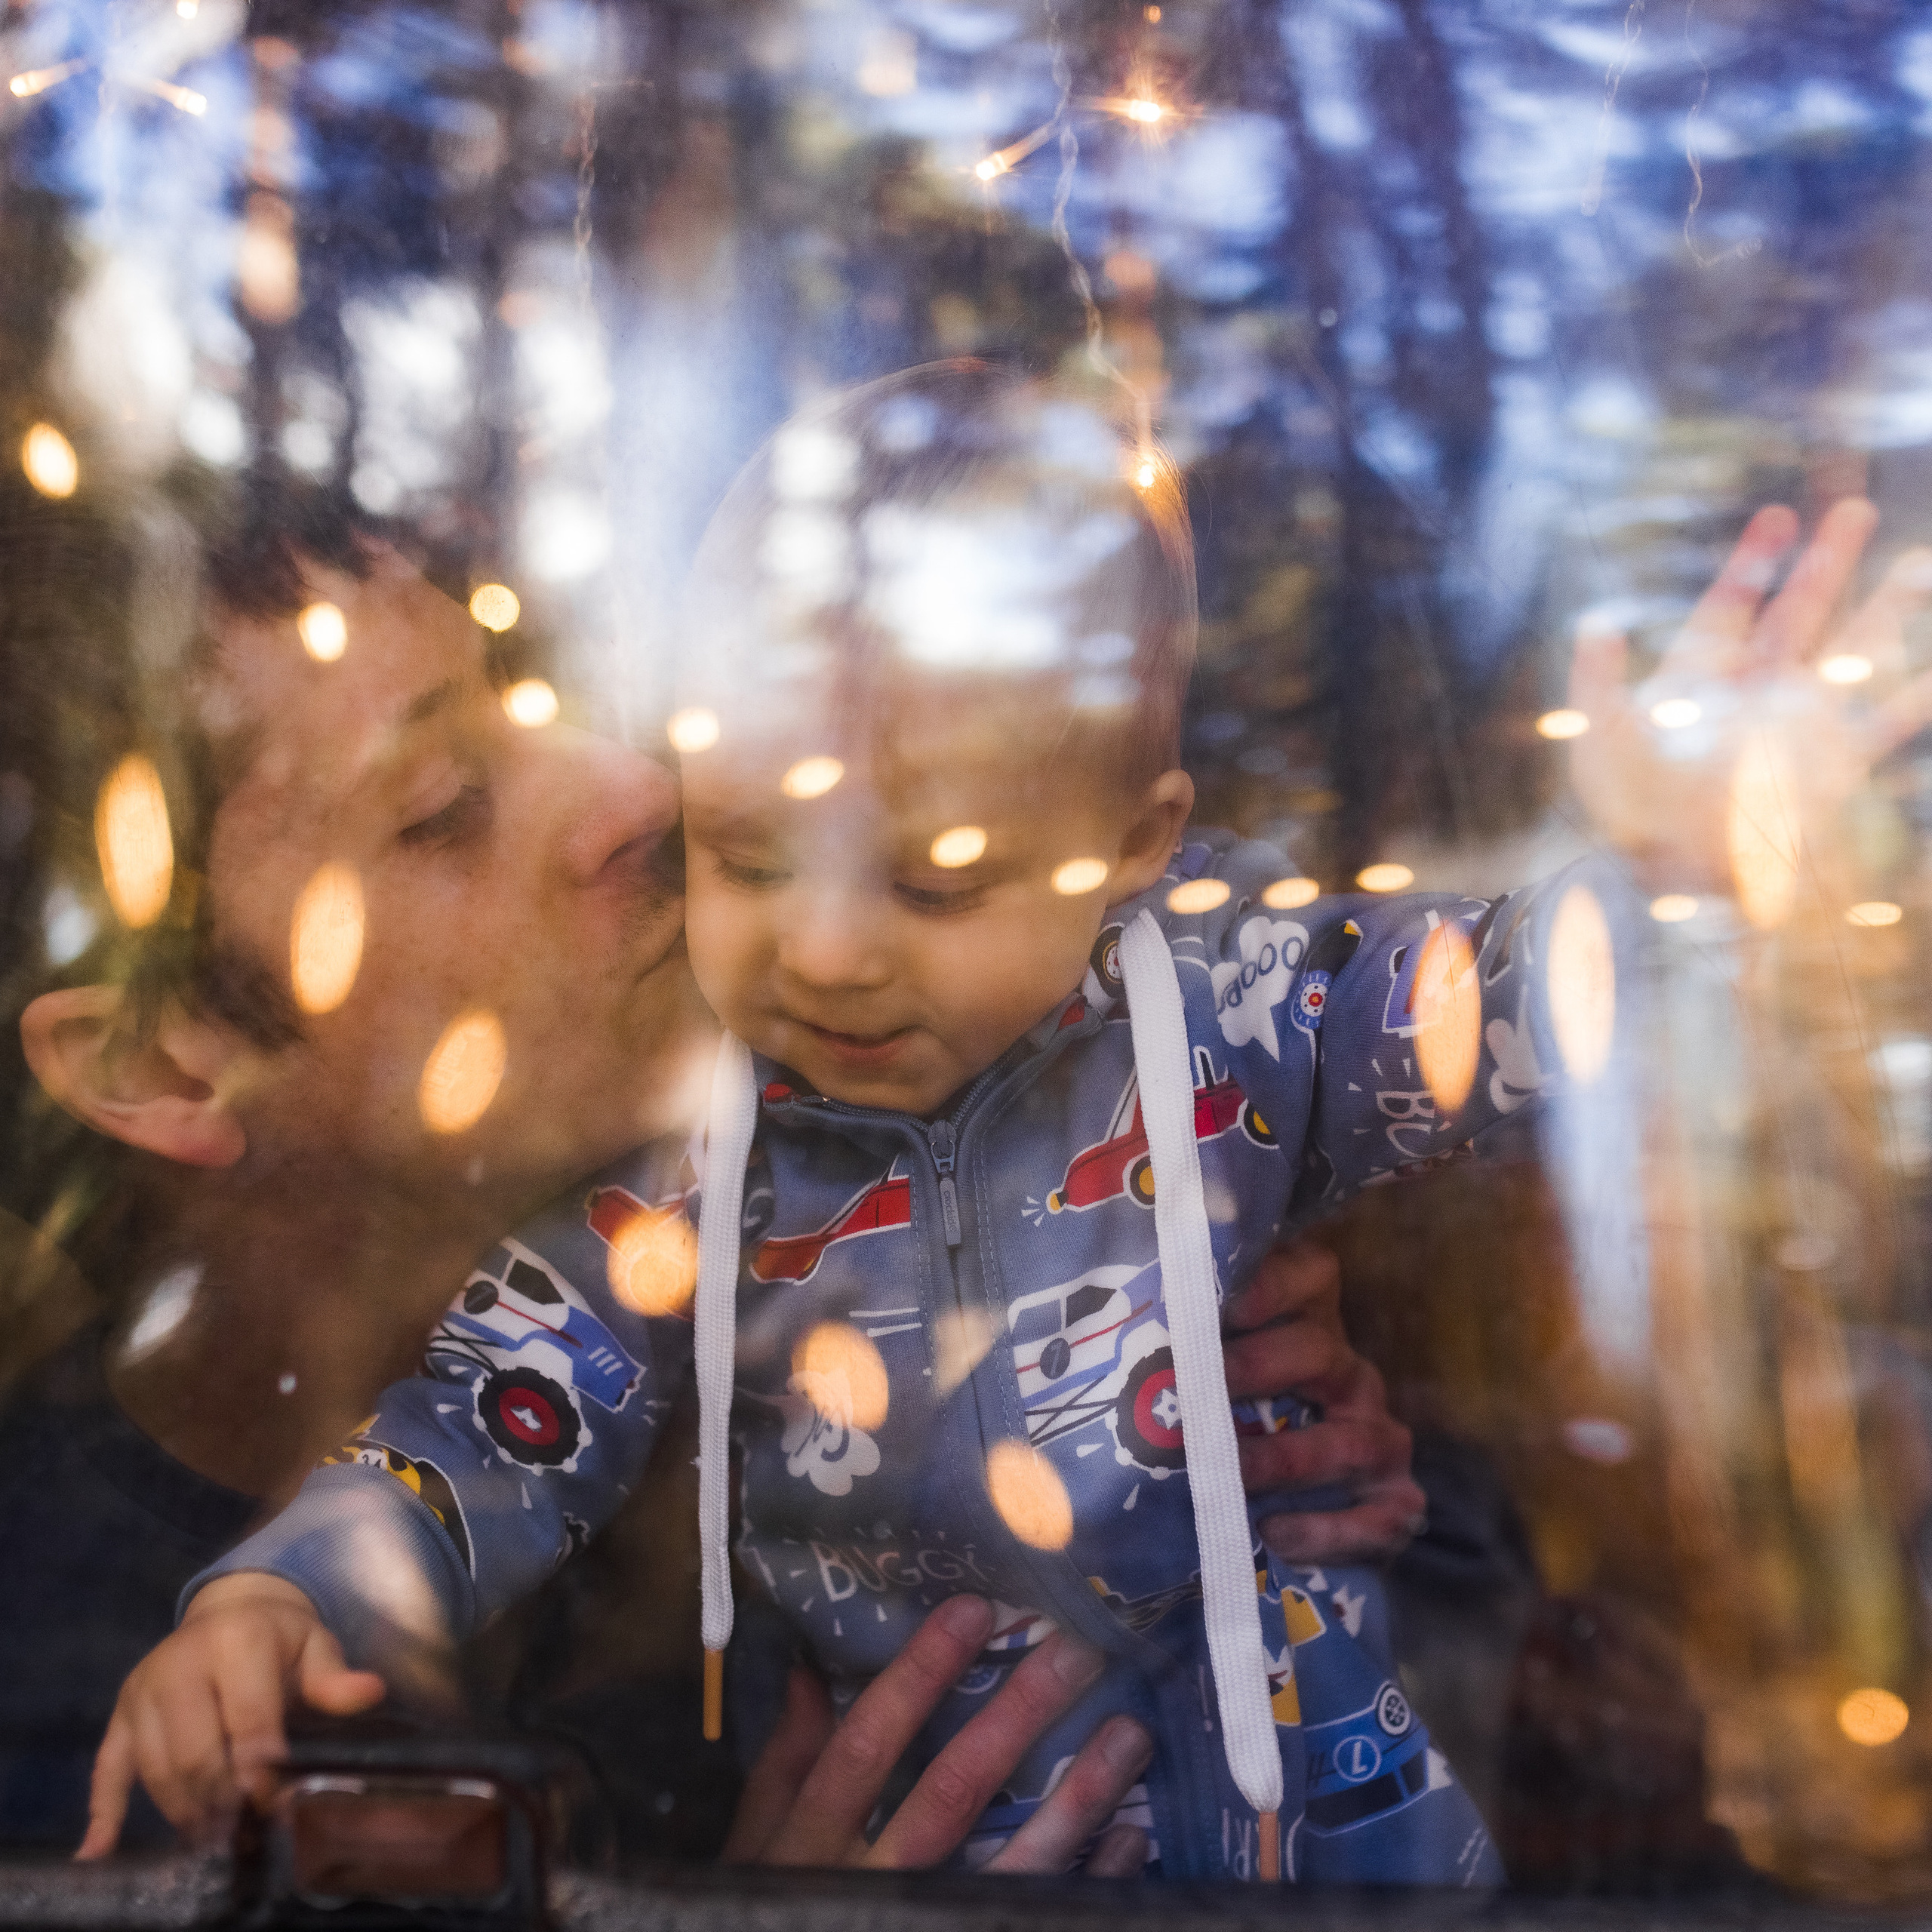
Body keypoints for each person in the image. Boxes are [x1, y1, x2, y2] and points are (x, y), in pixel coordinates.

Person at [109, 365, 1606, 1885]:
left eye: (938, 879)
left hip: (1337, 1852)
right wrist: (284, 1598)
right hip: (941, 1881)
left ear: (1128, 844)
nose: (823, 952)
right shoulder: (689, 1169)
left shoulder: (1227, 1004)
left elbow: (1479, 1002)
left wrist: (1666, 873)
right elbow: (481, 1422)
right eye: (745, 853)